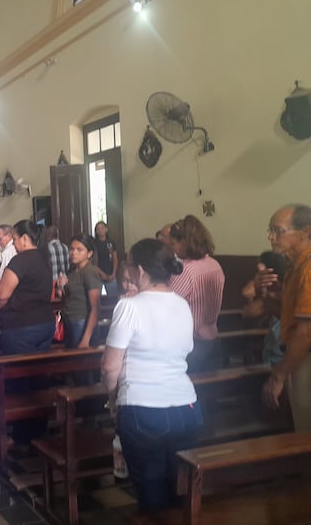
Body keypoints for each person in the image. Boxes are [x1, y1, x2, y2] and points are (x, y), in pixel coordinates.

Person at [101, 239, 201, 511]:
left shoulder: (129, 307)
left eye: (129, 264)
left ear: (140, 271)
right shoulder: (182, 304)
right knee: (180, 491)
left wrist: (112, 399)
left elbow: (110, 367)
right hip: (187, 407)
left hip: (144, 409)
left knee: (152, 496)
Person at [261, 204, 311, 431]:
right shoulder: (295, 266)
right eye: (270, 230)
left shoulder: (308, 268)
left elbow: (305, 332)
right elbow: (286, 310)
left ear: (306, 232)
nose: (271, 237)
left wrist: (279, 375)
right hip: (298, 358)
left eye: (278, 231)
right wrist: (269, 292)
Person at [169, 215, 225, 372]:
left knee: (191, 393)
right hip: (213, 338)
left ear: (185, 243)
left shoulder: (185, 270)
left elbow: (167, 305)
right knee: (210, 391)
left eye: (173, 244)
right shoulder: (215, 264)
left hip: (193, 344)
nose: (172, 249)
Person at [0, 219, 56, 354]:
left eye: (15, 239)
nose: (14, 244)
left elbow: (1, 297)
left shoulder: (20, 260)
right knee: (39, 371)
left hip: (21, 326)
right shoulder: (45, 258)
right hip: (46, 323)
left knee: (20, 372)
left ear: (25, 238)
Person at [241, 251, 285, 365]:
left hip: (280, 359)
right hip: (272, 354)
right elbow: (248, 310)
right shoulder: (270, 291)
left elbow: (250, 311)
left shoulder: (283, 291)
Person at [58, 234, 102, 348]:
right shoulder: (73, 271)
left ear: (89, 253)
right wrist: (60, 286)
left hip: (82, 323)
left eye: (79, 250)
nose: (74, 253)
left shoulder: (89, 272)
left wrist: (86, 339)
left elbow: (95, 308)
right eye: (71, 249)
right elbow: (67, 298)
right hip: (70, 321)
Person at [94, 221, 119, 296]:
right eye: (98, 229)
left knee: (113, 297)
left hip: (111, 273)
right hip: (97, 274)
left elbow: (115, 259)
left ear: (106, 229)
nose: (100, 230)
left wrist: (114, 273)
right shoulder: (94, 243)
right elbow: (93, 262)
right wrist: (102, 274)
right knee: (97, 298)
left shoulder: (111, 242)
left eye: (102, 228)